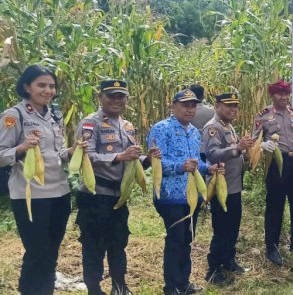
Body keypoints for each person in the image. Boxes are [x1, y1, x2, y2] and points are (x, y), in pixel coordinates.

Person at [0, 65, 83, 295]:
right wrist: (22, 147)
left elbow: (55, 154)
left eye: (52, 86)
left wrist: (73, 150)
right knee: (37, 252)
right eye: (42, 85)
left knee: (52, 252)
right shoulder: (13, 116)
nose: (48, 91)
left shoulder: (54, 114)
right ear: (27, 87)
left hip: (59, 194)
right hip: (31, 196)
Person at [75, 80, 159, 295]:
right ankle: (94, 289)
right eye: (111, 95)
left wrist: (147, 159)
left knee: (118, 242)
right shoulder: (90, 124)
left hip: (118, 197)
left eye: (121, 96)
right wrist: (118, 156)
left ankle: (119, 287)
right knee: (94, 244)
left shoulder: (128, 126)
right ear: (100, 97)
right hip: (95, 196)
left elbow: (130, 161)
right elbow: (85, 156)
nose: (116, 100)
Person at [148, 88, 221, 295]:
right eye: (185, 105)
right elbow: (156, 163)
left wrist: (210, 169)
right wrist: (180, 167)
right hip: (170, 196)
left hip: (192, 195)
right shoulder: (161, 129)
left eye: (193, 105)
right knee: (175, 239)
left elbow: (197, 164)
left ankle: (184, 282)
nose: (190, 110)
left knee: (187, 239)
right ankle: (171, 286)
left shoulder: (194, 132)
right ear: (173, 106)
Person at [253, 80, 293, 266]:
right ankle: (272, 247)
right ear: (272, 95)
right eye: (280, 94)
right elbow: (254, 140)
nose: (283, 97)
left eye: (286, 94)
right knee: (275, 205)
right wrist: (263, 145)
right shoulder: (263, 116)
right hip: (277, 162)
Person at [201, 92, 253, 285]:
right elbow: (213, 155)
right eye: (228, 106)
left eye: (235, 106)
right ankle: (214, 269)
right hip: (221, 189)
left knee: (232, 228)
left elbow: (235, 152)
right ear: (217, 106)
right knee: (221, 230)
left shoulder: (228, 126)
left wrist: (246, 152)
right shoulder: (213, 128)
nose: (233, 110)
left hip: (234, 187)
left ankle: (229, 260)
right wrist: (238, 149)